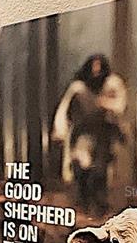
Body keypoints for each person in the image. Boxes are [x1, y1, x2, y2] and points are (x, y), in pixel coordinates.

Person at [52, 54, 127, 214]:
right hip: (83, 133)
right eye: (93, 66)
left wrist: (107, 105)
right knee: (81, 165)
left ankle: (100, 205)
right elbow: (64, 109)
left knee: (100, 170)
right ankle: (83, 202)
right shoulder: (78, 88)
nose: (96, 70)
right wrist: (60, 130)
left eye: (99, 66)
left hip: (104, 132)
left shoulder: (112, 84)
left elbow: (120, 105)